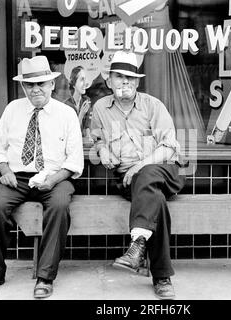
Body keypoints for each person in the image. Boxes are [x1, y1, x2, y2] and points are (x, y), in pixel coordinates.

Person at [0, 55, 84, 299]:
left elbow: (74, 160)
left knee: (59, 207)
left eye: (41, 84)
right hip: (17, 178)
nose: (35, 89)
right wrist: (4, 171)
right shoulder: (12, 109)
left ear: (52, 85)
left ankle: (45, 276)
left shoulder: (66, 114)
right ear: (23, 86)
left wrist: (54, 179)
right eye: (29, 85)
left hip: (55, 177)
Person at [90, 51, 185, 300]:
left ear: (138, 82)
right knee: (156, 201)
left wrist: (138, 166)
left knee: (148, 175)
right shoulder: (100, 108)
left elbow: (169, 147)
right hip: (127, 181)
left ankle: (138, 249)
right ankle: (160, 276)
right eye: (119, 77)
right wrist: (102, 149)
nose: (126, 82)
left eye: (131, 78)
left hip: (164, 171)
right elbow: (96, 138)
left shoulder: (153, 105)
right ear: (109, 80)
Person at [64, 66, 94, 145]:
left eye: (85, 79)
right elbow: (71, 132)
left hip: (83, 145)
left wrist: (88, 137)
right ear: (74, 84)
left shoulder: (86, 101)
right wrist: (81, 114)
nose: (85, 83)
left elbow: (88, 125)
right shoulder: (66, 105)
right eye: (81, 80)